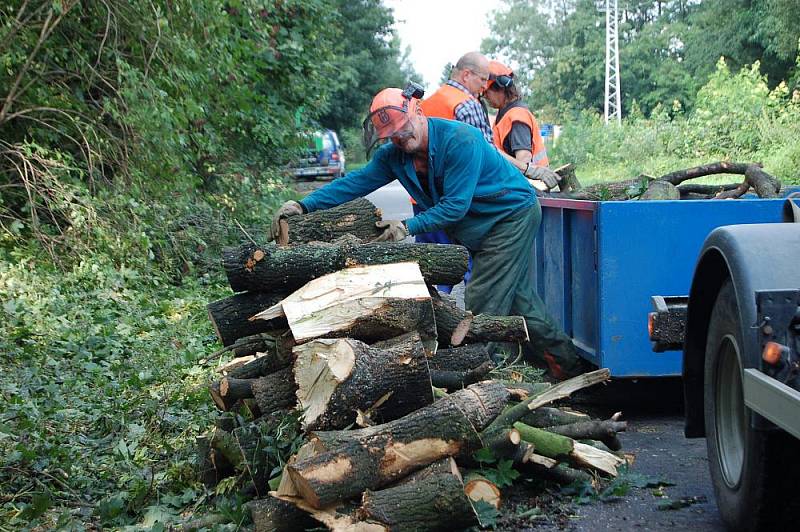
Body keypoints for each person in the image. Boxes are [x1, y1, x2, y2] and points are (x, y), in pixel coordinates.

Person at [270, 85, 587, 380]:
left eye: (403, 129)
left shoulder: (460, 140)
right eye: (391, 135)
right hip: (480, 226)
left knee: (482, 299)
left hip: (508, 218)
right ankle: (565, 366)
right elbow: (353, 184)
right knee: (521, 300)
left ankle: (477, 376)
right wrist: (303, 206)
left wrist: (406, 227)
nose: (399, 138)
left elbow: (455, 206)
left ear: (418, 112)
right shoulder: (394, 156)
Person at [413, 51, 494, 291]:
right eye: (482, 80)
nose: (483, 88)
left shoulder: (427, 103)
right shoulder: (466, 104)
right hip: (456, 197)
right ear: (466, 74)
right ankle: (476, 319)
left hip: (423, 197)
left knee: (429, 265)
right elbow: (486, 153)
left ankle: (431, 319)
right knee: (472, 264)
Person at [483, 60, 560, 191]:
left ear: (501, 89)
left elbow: (524, 160)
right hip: (522, 188)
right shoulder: (504, 114)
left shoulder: (517, 116)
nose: (485, 97)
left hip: (529, 190)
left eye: (487, 92)